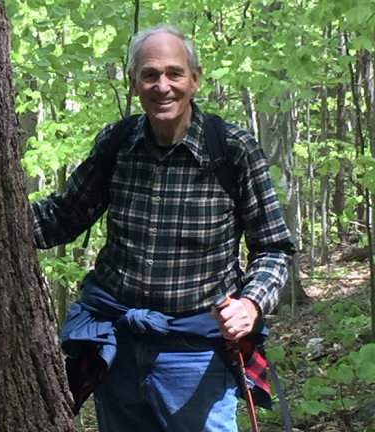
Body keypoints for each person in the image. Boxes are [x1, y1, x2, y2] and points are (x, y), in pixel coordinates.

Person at [31, 24, 295, 432]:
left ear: (195, 78)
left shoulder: (232, 150)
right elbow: (64, 217)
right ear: (135, 82)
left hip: (196, 352)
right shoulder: (117, 144)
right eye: (150, 75)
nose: (162, 86)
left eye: (174, 73)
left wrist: (251, 304)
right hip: (116, 342)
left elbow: (274, 248)